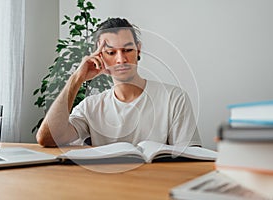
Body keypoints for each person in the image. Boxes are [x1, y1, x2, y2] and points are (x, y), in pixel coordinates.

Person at [36, 18, 202, 147]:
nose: (121, 59)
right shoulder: (91, 106)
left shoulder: (174, 98)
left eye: (128, 50)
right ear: (100, 56)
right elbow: (47, 138)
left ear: (139, 50)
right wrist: (76, 78)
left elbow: (191, 157)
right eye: (110, 52)